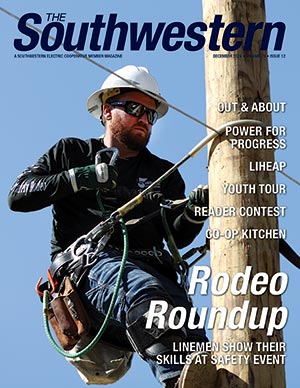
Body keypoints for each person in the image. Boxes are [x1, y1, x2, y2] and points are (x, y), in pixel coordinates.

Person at [8, 65, 210, 388]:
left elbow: (178, 234)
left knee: (192, 334)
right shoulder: (73, 153)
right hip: (91, 277)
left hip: (148, 279)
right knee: (147, 296)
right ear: (106, 111)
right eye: (134, 108)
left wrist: (194, 214)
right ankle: (175, 380)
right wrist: (78, 177)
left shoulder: (165, 174)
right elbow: (18, 195)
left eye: (150, 113)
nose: (144, 118)